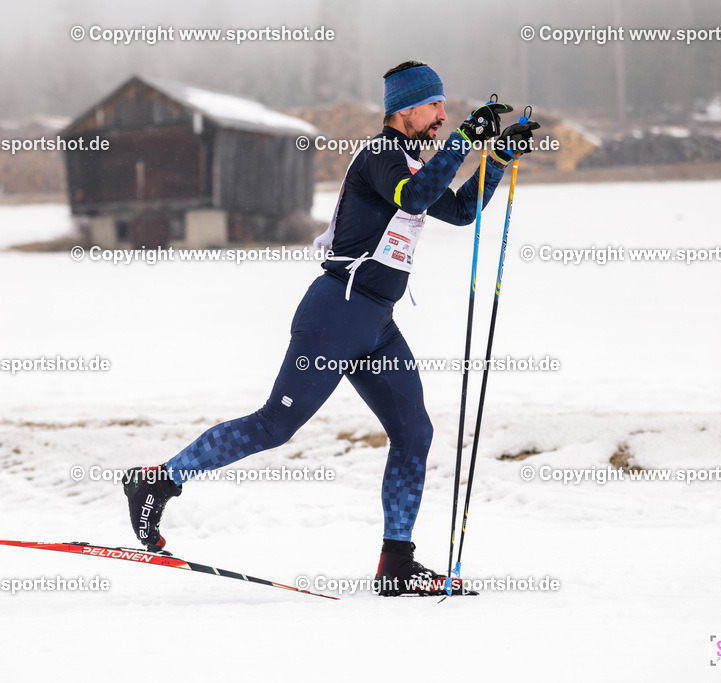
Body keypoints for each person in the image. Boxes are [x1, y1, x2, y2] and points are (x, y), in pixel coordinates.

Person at [123, 60, 538, 596]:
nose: (442, 114)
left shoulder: (412, 160)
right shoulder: (381, 157)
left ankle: (397, 565)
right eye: (435, 105)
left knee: (415, 433)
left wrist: (498, 157)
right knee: (275, 426)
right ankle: (158, 480)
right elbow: (413, 198)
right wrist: (462, 139)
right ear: (405, 109)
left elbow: (458, 211)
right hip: (336, 315)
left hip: (376, 324)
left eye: (444, 106)